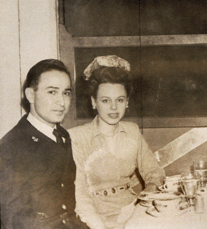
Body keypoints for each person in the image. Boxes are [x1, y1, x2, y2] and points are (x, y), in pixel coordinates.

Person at [68, 55, 165, 229]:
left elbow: (154, 171)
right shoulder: (76, 137)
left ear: (127, 102)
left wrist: (148, 193)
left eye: (120, 100)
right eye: (106, 100)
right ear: (93, 102)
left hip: (132, 212)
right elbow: (79, 196)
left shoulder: (132, 131)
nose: (114, 107)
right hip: (94, 219)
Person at [0, 59, 89, 228]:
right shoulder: (11, 146)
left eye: (66, 93)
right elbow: (13, 219)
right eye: (52, 92)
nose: (62, 102)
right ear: (31, 95)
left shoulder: (62, 135)